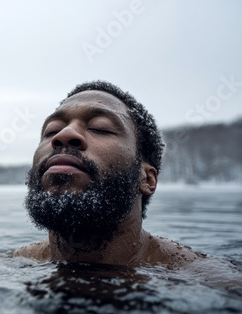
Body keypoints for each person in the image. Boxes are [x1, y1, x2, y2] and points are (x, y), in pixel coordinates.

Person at [13, 81, 221, 270]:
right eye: (51, 131)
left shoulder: (214, 282)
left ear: (146, 179)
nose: (63, 135)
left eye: (100, 128)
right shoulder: (10, 265)